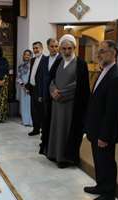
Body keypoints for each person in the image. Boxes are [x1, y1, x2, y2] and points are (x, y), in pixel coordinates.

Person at [84, 40, 118, 200]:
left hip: (105, 131)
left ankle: (108, 193)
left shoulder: (116, 77)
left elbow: (112, 112)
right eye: (98, 51)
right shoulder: (104, 71)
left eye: (102, 51)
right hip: (96, 128)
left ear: (113, 52)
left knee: (107, 162)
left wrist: (104, 136)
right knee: (99, 160)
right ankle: (101, 185)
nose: (98, 54)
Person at [47, 34, 90, 168]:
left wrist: (62, 93)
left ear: (74, 48)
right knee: (56, 129)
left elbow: (80, 85)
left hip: (70, 105)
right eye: (64, 49)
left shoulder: (81, 64)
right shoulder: (58, 62)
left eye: (69, 49)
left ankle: (65, 158)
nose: (66, 51)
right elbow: (51, 80)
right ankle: (54, 154)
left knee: (65, 130)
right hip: (56, 103)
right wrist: (53, 90)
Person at [38, 38, 62, 155]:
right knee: (45, 120)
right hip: (45, 96)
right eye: (52, 46)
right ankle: (44, 142)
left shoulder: (61, 59)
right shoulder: (44, 60)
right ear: (48, 47)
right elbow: (41, 79)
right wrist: (41, 94)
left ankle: (52, 145)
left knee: (54, 121)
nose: (54, 48)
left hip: (56, 95)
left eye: (56, 46)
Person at [25, 41, 44, 136]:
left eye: (37, 48)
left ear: (42, 48)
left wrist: (42, 93)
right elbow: (31, 75)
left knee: (41, 111)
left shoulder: (45, 60)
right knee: (34, 111)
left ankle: (43, 130)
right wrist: (28, 86)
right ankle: (35, 129)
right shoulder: (32, 60)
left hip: (40, 90)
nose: (35, 50)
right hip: (33, 88)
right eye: (34, 48)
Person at [16, 49, 33, 126]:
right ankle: (25, 121)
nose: (27, 56)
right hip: (23, 88)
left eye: (28, 55)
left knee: (31, 105)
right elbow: (18, 77)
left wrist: (29, 86)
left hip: (32, 87)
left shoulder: (33, 66)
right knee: (24, 105)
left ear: (31, 56)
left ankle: (31, 121)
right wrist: (23, 86)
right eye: (25, 54)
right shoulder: (20, 66)